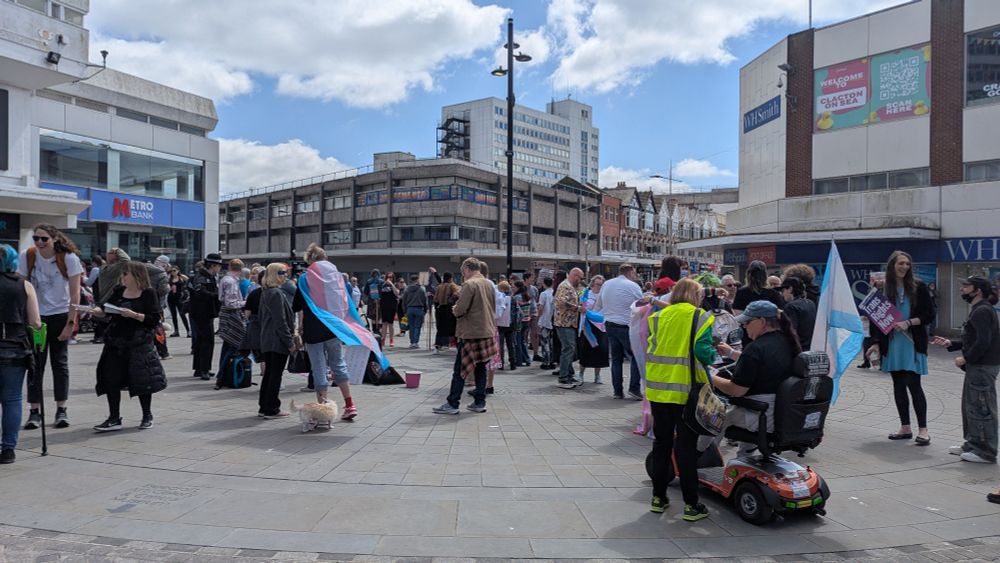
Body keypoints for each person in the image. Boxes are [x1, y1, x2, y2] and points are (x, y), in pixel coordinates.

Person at [645, 278, 715, 522]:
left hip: (657, 389)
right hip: (685, 392)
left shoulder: (657, 316)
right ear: (696, 296)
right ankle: (691, 505)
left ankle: (658, 498)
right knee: (685, 448)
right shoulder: (700, 316)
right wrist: (716, 351)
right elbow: (704, 353)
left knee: (661, 444)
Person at [18, 224, 83, 430]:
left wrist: (70, 324)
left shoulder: (68, 258)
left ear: (54, 239)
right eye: (36, 238)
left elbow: (75, 295)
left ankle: (61, 409)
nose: (39, 243)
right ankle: (34, 411)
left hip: (60, 315)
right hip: (36, 317)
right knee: (35, 364)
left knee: (60, 364)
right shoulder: (27, 256)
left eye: (44, 239)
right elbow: (21, 286)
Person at [714, 300, 800, 454]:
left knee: (717, 420)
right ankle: (744, 458)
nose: (743, 326)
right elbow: (765, 363)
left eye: (747, 322)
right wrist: (731, 353)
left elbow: (736, 390)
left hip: (763, 415)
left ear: (762, 321)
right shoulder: (788, 342)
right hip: (783, 414)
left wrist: (709, 376)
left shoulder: (755, 348)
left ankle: (701, 457)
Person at [867, 251, 934, 445]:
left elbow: (929, 313)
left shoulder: (918, 286)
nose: (905, 267)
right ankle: (905, 427)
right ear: (892, 266)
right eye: (901, 264)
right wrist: (876, 342)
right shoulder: (883, 288)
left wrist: (909, 323)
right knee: (898, 386)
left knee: (914, 385)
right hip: (893, 343)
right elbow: (876, 319)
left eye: (907, 264)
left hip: (912, 342)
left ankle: (924, 429)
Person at [91, 262, 167, 431]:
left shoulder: (148, 293)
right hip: (116, 341)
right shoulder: (119, 291)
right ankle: (114, 417)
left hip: (139, 342)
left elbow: (154, 319)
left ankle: (147, 415)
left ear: (136, 275)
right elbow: (107, 307)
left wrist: (134, 315)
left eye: (126, 274)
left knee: (142, 379)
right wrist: (98, 311)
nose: (123, 277)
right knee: (111, 378)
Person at [932, 276, 1000, 464]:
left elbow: (984, 341)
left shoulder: (982, 311)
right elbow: (974, 338)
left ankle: (985, 451)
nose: (962, 289)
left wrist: (966, 357)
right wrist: (951, 343)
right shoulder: (980, 309)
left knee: (982, 408)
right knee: (971, 406)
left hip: (982, 367)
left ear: (977, 290)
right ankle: (972, 444)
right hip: (978, 366)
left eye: (966, 286)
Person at [293, 244, 359, 420]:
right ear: (326, 258)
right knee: (338, 364)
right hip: (333, 327)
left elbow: (296, 305)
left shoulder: (305, 279)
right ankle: (350, 404)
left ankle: (322, 411)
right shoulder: (337, 277)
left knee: (319, 368)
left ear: (310, 261)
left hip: (313, 330)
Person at [434, 257, 496, 414]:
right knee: (481, 368)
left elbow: (460, 309)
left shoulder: (469, 284)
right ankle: (479, 402)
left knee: (460, 370)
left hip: (470, 333)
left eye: (463, 272)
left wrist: (454, 308)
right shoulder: (488, 283)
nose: (463, 275)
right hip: (486, 330)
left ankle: (453, 403)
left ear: (468, 269)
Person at [0, 245, 42, 463]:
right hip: (15, 348)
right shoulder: (24, 285)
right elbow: (35, 322)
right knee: (12, 399)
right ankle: (8, 448)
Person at [596, 264, 644, 400]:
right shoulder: (633, 286)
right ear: (630, 273)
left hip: (609, 325)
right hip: (625, 326)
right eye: (634, 274)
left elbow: (599, 304)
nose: (634, 277)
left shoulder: (607, 284)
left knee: (616, 359)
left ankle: (617, 391)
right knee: (635, 357)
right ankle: (634, 388)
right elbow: (641, 306)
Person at [258, 263, 295, 419]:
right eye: (282, 273)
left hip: (268, 339)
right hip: (276, 340)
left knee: (269, 374)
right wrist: (290, 342)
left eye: (286, 273)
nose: (285, 276)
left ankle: (264, 406)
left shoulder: (266, 292)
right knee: (275, 375)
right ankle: (272, 408)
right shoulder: (276, 293)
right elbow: (281, 321)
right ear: (274, 274)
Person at [189, 254, 223, 380]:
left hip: (204, 312)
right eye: (218, 266)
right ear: (213, 265)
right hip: (202, 312)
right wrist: (217, 295)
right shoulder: (202, 277)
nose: (219, 269)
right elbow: (200, 293)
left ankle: (199, 368)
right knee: (207, 340)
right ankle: (204, 369)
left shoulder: (207, 276)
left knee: (201, 340)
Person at [555, 268, 585, 389]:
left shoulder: (571, 286)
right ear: (575, 276)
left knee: (570, 348)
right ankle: (563, 377)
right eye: (580, 278)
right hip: (564, 323)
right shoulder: (565, 286)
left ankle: (569, 374)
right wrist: (577, 308)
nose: (581, 280)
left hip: (569, 323)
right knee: (568, 348)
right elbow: (561, 302)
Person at [217, 259, 247, 380]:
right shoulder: (232, 282)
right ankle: (224, 374)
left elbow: (221, 298)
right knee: (233, 344)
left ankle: (223, 372)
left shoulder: (225, 279)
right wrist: (245, 302)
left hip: (225, 313)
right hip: (231, 314)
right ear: (241, 269)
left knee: (227, 344)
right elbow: (231, 303)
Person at [578, 275, 609, 385]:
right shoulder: (586, 293)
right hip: (588, 327)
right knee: (585, 351)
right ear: (592, 284)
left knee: (599, 353)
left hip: (601, 326)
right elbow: (581, 306)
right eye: (597, 284)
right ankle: (581, 374)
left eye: (601, 285)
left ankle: (597, 376)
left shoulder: (605, 295)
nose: (599, 287)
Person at [779, 276, 816, 351]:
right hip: (812, 347)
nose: (782, 294)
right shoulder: (810, 303)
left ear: (790, 289)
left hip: (800, 350)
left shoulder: (791, 307)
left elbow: (791, 332)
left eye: (783, 290)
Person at [401, 274, 429, 349]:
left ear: (411, 280)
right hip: (419, 309)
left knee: (411, 326)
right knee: (417, 326)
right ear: (417, 280)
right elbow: (424, 301)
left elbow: (404, 301)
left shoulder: (406, 289)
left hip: (409, 309)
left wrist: (405, 311)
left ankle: (412, 342)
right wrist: (425, 310)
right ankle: (416, 342)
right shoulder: (421, 289)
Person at [434, 272, 459, 352]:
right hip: (449, 308)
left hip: (440, 308)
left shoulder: (439, 286)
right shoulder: (452, 285)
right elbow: (457, 294)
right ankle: (451, 343)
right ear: (450, 278)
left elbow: (435, 299)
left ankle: (438, 343)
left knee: (440, 327)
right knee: (452, 327)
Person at [513, 280, 535, 367]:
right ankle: (526, 358)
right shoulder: (528, 297)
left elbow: (516, 311)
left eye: (514, 287)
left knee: (517, 341)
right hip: (527, 320)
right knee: (522, 340)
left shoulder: (517, 297)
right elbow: (532, 308)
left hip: (519, 322)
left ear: (518, 288)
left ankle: (519, 360)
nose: (512, 288)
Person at [495, 281, 516, 370]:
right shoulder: (513, 299)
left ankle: (501, 363)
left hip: (500, 324)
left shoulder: (499, 298)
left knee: (500, 345)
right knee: (510, 344)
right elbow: (516, 312)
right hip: (510, 325)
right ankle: (513, 363)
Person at [537, 277, 555, 370]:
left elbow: (540, 307)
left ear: (544, 284)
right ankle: (552, 361)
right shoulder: (554, 293)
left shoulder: (543, 294)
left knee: (545, 342)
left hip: (544, 320)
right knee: (551, 343)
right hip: (553, 321)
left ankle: (545, 361)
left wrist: (538, 318)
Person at [167, 267, 190, 337]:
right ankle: (176, 331)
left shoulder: (181, 277)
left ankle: (188, 331)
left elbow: (190, 282)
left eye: (174, 270)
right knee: (174, 315)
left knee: (182, 314)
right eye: (171, 271)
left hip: (180, 298)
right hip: (171, 298)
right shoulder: (169, 278)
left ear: (178, 271)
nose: (173, 272)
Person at [379, 272, 399, 347]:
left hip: (392, 306)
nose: (389, 278)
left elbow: (397, 293)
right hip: (384, 305)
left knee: (390, 324)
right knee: (384, 323)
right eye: (388, 277)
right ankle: (383, 339)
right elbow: (379, 293)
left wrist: (391, 284)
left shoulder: (395, 284)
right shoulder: (382, 284)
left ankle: (391, 339)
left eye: (391, 277)